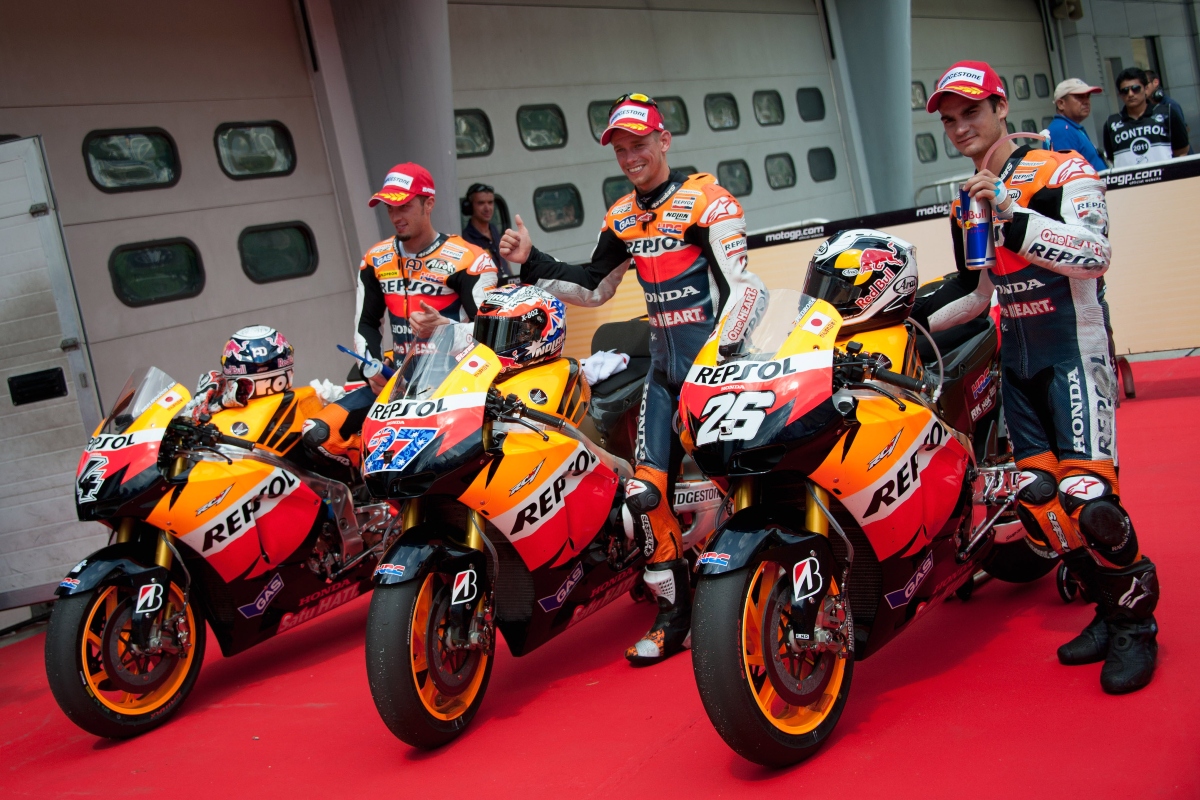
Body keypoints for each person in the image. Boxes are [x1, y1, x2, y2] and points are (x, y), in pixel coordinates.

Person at [499, 93, 766, 666]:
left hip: (718, 375)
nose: (630, 157)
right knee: (644, 496)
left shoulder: (708, 202)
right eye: (621, 150)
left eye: (639, 145)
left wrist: (728, 358)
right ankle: (675, 616)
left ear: (664, 141)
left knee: (748, 487)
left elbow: (745, 288)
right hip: (664, 378)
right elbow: (595, 286)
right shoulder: (622, 215)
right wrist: (533, 260)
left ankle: (760, 597)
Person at [926, 60, 1160, 694]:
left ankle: (1136, 624)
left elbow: (1095, 255)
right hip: (1018, 361)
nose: (960, 127)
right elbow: (978, 293)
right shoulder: (963, 197)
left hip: (1073, 355)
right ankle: (1107, 612)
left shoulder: (1065, 168)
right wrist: (895, 321)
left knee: (1090, 501)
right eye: (950, 120)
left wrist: (1011, 211)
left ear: (1001, 106)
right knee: (1039, 500)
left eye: (971, 112)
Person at [302, 162, 498, 475]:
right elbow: (365, 325)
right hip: (399, 382)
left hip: (455, 382)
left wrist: (447, 329)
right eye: (389, 208)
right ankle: (381, 492)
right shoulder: (376, 259)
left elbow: (494, 332)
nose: (395, 217)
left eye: (404, 206)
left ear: (429, 204)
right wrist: (371, 367)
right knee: (318, 434)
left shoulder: (470, 259)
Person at [1102, 66, 1189, 167]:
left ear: (1146, 88)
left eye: (1135, 89)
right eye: (1125, 91)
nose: (1130, 94)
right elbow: (1112, 159)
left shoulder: (1167, 113)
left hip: (1166, 180)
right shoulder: (1111, 123)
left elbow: (1182, 151)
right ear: (1120, 95)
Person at [1046, 78, 1107, 173]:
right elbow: (1068, 174)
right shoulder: (1061, 130)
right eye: (1080, 97)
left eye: (1088, 96)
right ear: (1061, 104)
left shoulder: (1071, 128)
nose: (1086, 101)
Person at [460, 182, 513, 283]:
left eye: (490, 202)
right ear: (469, 207)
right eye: (481, 203)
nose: (487, 208)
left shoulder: (494, 229)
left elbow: (504, 260)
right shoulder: (466, 239)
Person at [1145, 69, 1192, 155]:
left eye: (1146, 84)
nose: (1143, 89)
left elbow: (1184, 130)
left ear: (1155, 82)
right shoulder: (1148, 107)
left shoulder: (1170, 105)